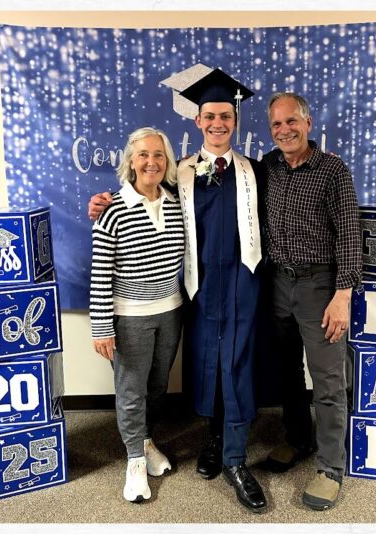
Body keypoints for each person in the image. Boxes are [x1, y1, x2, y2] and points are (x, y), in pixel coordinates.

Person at [89, 68, 269, 512]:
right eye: (210, 116)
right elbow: (141, 191)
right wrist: (103, 201)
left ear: (236, 120)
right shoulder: (180, 175)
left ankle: (235, 459)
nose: (218, 124)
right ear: (198, 122)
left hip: (243, 287)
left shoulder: (256, 171)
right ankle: (211, 442)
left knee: (239, 365)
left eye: (226, 116)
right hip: (199, 290)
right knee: (206, 364)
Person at [262, 92, 361, 511]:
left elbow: (350, 235)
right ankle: (297, 439)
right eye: (276, 125)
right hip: (277, 282)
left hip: (320, 284)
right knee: (286, 373)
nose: (284, 130)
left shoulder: (333, 170)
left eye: (291, 122)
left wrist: (342, 296)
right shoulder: (267, 167)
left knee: (327, 379)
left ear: (307, 122)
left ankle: (331, 467)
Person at [90, 127, 183, 503]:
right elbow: (100, 273)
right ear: (130, 161)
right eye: (143, 155)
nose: (151, 162)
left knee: (157, 386)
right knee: (131, 392)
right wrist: (100, 326)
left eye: (158, 155)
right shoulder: (110, 208)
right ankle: (133, 462)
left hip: (170, 311)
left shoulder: (176, 202)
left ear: (167, 161)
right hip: (129, 317)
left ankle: (144, 441)